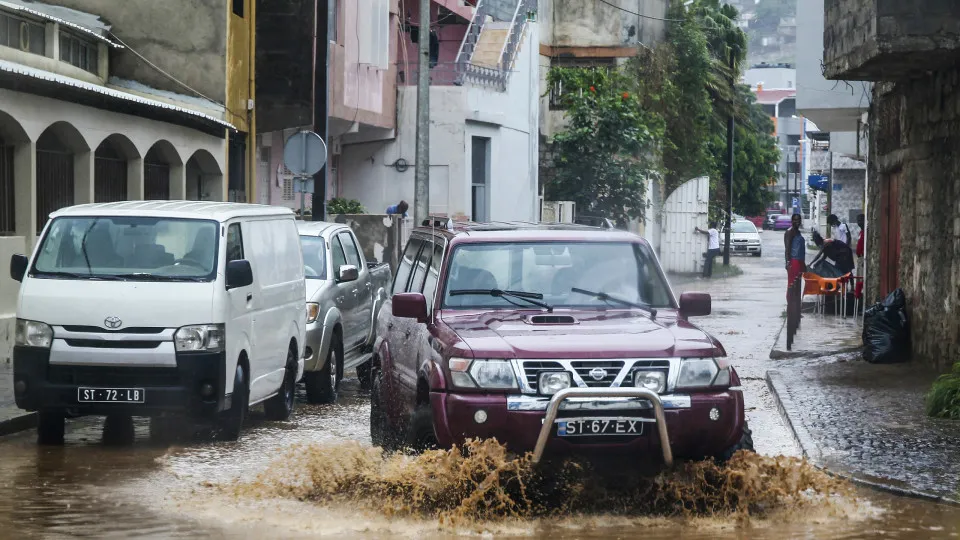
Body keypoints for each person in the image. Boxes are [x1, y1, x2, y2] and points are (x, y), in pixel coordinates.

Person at [784, 213, 805, 350]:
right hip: (793, 262)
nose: (797, 222)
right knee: (792, 285)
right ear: (791, 221)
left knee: (797, 286)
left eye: (799, 220)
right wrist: (788, 263)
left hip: (800, 262)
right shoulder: (789, 233)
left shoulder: (798, 232)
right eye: (795, 220)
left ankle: (796, 309)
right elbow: (787, 248)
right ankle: (791, 309)